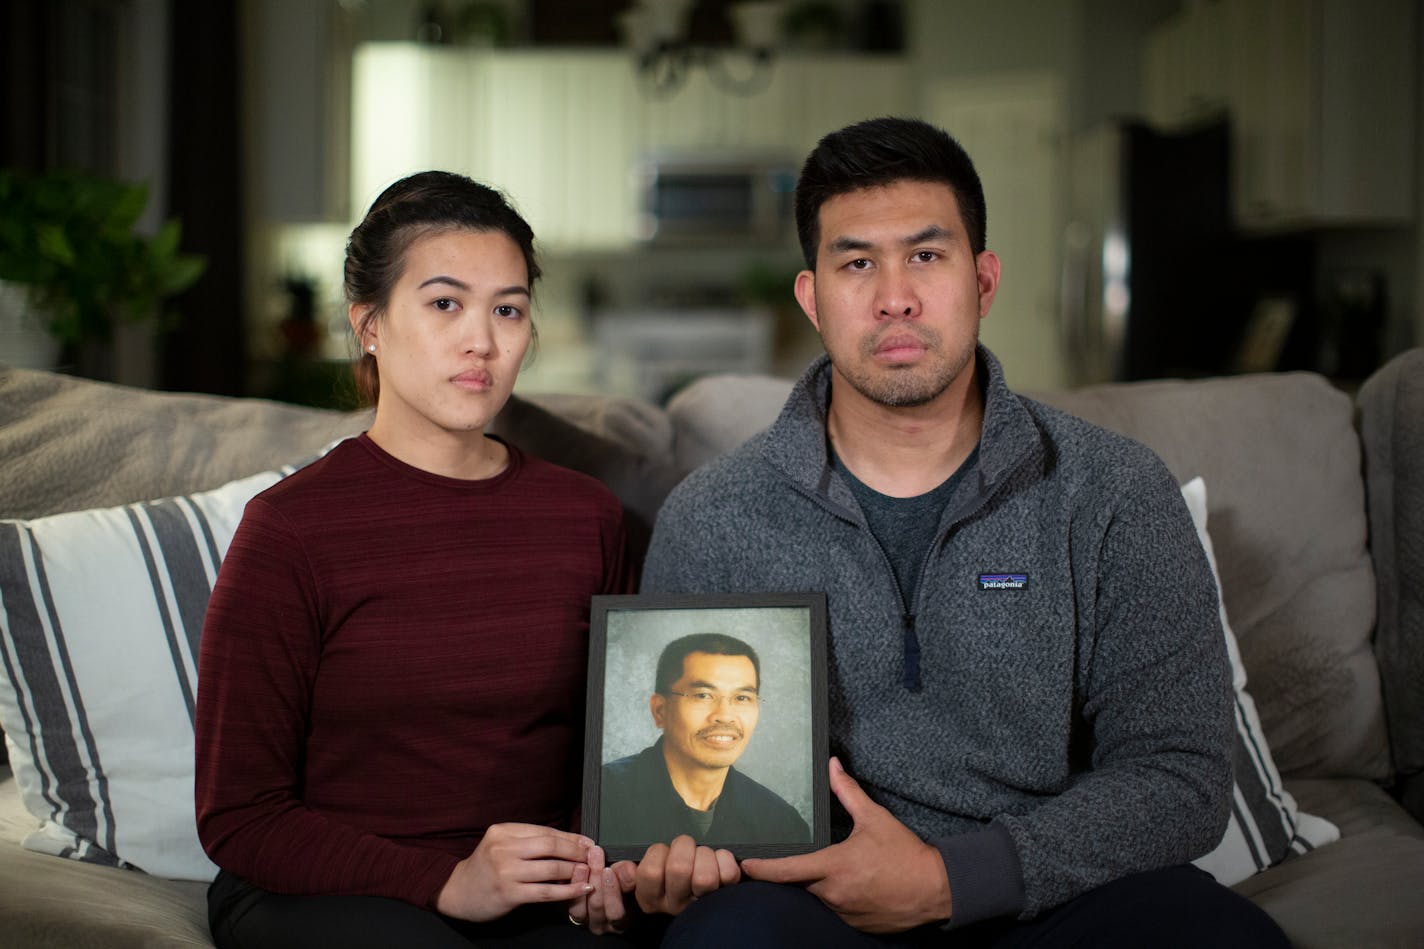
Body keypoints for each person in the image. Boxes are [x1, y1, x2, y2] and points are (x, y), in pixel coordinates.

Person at [636, 118, 1291, 946]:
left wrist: (953, 879)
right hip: (812, 905)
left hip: (1045, 893)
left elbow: (1183, 776)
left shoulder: (1114, 489)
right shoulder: (713, 514)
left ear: (983, 280)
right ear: (812, 298)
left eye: (927, 255)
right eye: (857, 262)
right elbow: (670, 790)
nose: (895, 295)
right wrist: (663, 867)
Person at [194, 171, 642, 948]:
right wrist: (444, 882)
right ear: (368, 323)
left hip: (531, 891)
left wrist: (597, 872)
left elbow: (620, 753)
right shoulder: (289, 531)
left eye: (509, 309)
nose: (483, 340)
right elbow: (240, 814)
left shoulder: (587, 515)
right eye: (445, 303)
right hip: (323, 890)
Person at [599, 633, 811, 847]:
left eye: (742, 698)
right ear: (660, 710)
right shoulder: (601, 798)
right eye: (703, 695)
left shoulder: (781, 824)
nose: (725, 715)